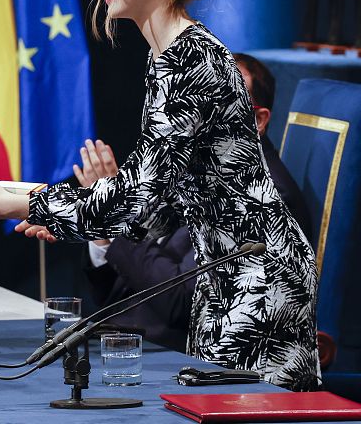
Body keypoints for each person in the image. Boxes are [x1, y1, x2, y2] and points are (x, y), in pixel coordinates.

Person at [0, 0, 320, 391]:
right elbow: (159, 200)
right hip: (228, 279)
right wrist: (32, 197)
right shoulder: (169, 56)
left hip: (259, 284)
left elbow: (133, 195)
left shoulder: (192, 63)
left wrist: (17, 203)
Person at [79, 54, 313, 351]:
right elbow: (120, 284)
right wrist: (102, 231)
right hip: (117, 340)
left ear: (257, 121)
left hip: (183, 363)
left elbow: (181, 304)